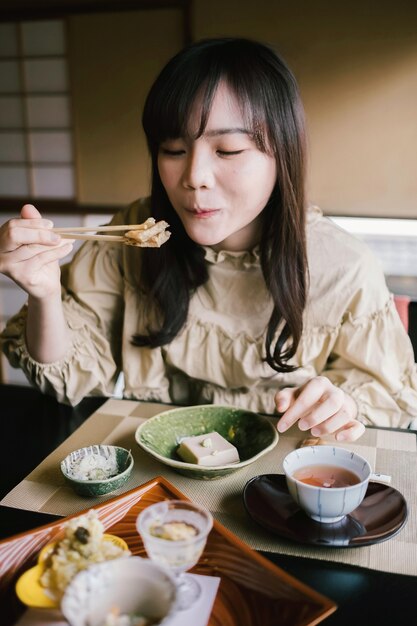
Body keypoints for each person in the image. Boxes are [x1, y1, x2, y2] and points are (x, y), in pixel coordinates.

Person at [0, 38, 416, 442]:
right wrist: (45, 294)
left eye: (228, 150)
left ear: (283, 154)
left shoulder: (341, 265)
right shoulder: (132, 232)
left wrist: (343, 405)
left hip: (280, 481)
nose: (194, 177)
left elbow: (386, 398)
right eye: (173, 148)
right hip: (162, 463)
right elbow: (69, 377)